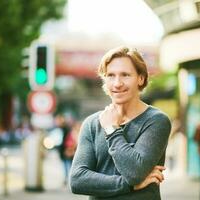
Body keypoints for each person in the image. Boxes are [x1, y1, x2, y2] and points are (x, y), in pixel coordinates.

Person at [69, 46, 171, 200]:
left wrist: (112, 130)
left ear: (141, 78)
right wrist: (128, 185)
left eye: (125, 75)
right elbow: (77, 180)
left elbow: (135, 172)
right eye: (111, 75)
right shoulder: (92, 124)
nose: (117, 83)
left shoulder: (156, 120)